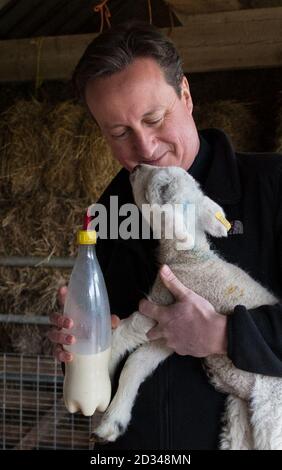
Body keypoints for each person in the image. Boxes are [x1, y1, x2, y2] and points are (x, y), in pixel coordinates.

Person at [48, 21, 282, 450]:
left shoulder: (272, 186)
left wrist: (224, 336)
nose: (145, 146)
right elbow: (107, 336)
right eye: (118, 133)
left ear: (186, 96)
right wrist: (81, 340)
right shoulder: (109, 210)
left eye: (154, 118)